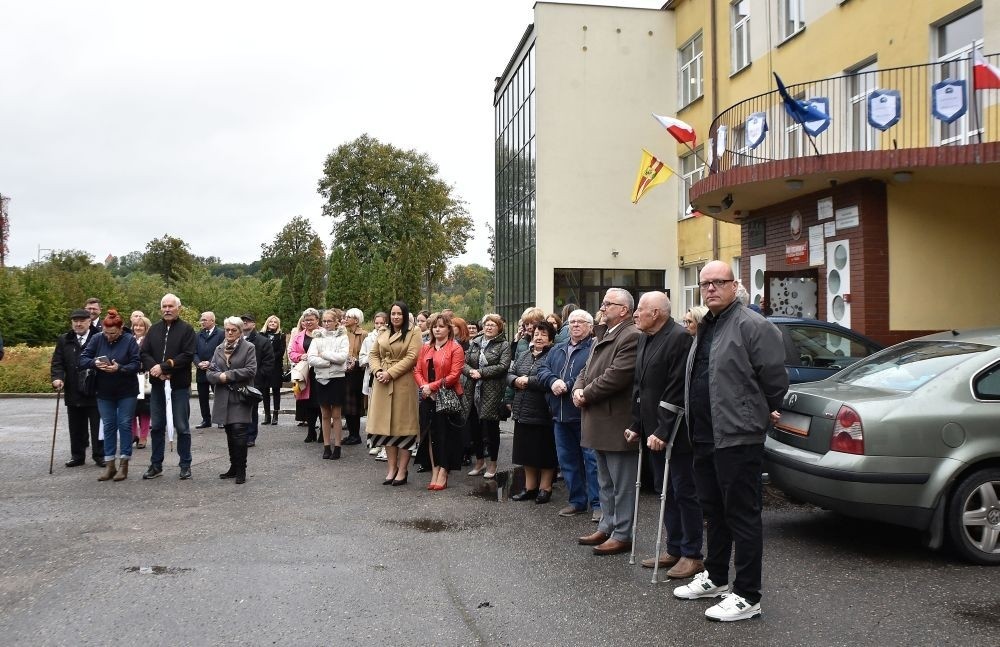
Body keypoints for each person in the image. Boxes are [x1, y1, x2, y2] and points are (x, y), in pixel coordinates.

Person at [672, 260, 788, 622]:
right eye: (705, 284)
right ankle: (718, 578)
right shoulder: (707, 324)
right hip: (705, 435)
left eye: (718, 282)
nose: (710, 289)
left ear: (734, 285)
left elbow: (774, 381)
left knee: (743, 516)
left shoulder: (753, 325)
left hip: (738, 436)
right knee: (713, 511)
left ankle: (748, 595)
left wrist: (758, 411)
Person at [624, 292, 702, 579]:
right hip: (651, 429)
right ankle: (675, 546)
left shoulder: (679, 338)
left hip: (676, 432)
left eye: (641, 309)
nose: (636, 314)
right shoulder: (644, 336)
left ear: (656, 313)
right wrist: (637, 423)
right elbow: (640, 383)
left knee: (684, 491)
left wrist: (663, 428)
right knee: (663, 490)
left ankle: (692, 554)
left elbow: (676, 388)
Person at [574, 288, 640, 556]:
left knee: (622, 483)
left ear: (623, 310)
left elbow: (617, 375)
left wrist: (586, 394)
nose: (601, 308)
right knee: (605, 481)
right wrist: (578, 388)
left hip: (616, 420)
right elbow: (585, 370)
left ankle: (623, 533)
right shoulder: (604, 333)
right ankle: (607, 525)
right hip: (599, 418)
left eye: (607, 304)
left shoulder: (631, 335)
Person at [538, 309, 600, 518]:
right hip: (559, 415)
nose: (574, 325)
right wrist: (553, 381)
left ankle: (598, 505)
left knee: (591, 462)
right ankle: (577, 501)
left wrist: (568, 385)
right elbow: (542, 369)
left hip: (584, 415)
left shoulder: (595, 348)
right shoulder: (557, 349)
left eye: (580, 322)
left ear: (590, 327)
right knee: (568, 462)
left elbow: (592, 374)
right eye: (572, 322)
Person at [140, 293, 197, 481]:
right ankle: (156, 464)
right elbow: (144, 353)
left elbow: (188, 355)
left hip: (178, 387)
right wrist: (154, 369)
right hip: (157, 386)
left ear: (178, 308)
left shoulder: (187, 329)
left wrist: (165, 366)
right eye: (164, 306)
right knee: (156, 427)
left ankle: (185, 465)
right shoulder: (154, 330)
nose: (167, 309)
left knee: (182, 427)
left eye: (171, 306)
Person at [80, 309, 141, 482]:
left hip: (126, 390)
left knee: (124, 424)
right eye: (106, 333)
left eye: (113, 334)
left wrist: (119, 368)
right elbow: (83, 359)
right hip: (104, 390)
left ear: (121, 329)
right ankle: (109, 465)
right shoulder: (97, 338)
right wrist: (95, 363)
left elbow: (136, 364)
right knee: (108, 426)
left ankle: (124, 464)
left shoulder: (129, 340)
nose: (109, 337)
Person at [367, 301, 422, 486]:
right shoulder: (383, 332)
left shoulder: (414, 332)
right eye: (393, 313)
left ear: (405, 315)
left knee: (403, 428)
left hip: (403, 382)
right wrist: (377, 372)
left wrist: (391, 373)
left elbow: (412, 357)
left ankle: (403, 469)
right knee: (386, 428)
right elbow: (373, 354)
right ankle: (391, 468)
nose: (396, 317)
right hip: (382, 382)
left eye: (399, 314)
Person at [508, 320, 558, 504]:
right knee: (526, 452)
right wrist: (514, 381)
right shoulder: (523, 354)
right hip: (522, 410)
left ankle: (545, 488)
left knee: (545, 452)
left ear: (551, 338)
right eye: (536, 333)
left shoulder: (554, 355)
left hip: (543, 410)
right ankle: (530, 487)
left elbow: (551, 379)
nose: (538, 337)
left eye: (543, 334)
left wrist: (528, 381)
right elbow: (510, 373)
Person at [414, 312, 466, 491]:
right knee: (430, 435)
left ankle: (444, 471)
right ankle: (434, 469)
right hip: (427, 397)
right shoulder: (426, 348)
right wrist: (424, 387)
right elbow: (417, 371)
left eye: (441, 326)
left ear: (448, 329)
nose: (437, 329)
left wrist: (432, 386)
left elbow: (453, 376)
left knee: (445, 435)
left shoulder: (455, 348)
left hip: (446, 397)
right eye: (435, 326)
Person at [206, 317, 258, 485]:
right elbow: (210, 371)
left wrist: (227, 375)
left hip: (240, 395)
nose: (229, 333)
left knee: (239, 431)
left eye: (233, 330)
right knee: (229, 431)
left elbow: (251, 370)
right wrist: (217, 377)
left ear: (240, 331)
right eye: (227, 329)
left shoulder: (249, 347)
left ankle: (242, 469)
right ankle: (233, 467)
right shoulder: (219, 348)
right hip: (223, 397)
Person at [50, 308, 103, 467]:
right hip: (73, 389)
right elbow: (57, 362)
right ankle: (77, 456)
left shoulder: (99, 337)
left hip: (94, 388)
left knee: (97, 425)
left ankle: (100, 455)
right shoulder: (64, 339)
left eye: (82, 321)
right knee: (76, 426)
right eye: (75, 321)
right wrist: (57, 378)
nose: (78, 324)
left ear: (89, 321)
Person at [461, 313, 512, 479]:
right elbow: (464, 362)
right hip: (473, 390)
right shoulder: (475, 342)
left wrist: (481, 373)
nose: (489, 327)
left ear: (499, 328)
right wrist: (471, 372)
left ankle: (493, 463)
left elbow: (503, 366)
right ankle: (479, 461)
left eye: (493, 325)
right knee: (474, 427)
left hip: (492, 391)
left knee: (490, 430)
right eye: (487, 324)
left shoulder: (504, 344)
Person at [307, 308, 349, 460]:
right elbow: (311, 358)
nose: (326, 324)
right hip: (321, 378)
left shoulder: (342, 337)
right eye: (324, 321)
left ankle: (337, 446)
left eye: (329, 321)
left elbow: (342, 357)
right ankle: (326, 446)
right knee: (325, 414)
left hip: (337, 379)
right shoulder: (317, 337)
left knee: (336, 414)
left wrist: (323, 354)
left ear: (336, 321)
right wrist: (327, 363)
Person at [287, 308, 321, 442]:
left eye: (311, 319)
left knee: (321, 403)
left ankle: (323, 433)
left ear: (317, 320)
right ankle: (311, 431)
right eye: (306, 320)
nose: (308, 322)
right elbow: (291, 353)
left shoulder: (323, 333)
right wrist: (301, 356)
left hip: (320, 371)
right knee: (308, 403)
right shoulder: (298, 336)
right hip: (305, 373)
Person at [241, 314, 275, 448]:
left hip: (254, 380)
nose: (244, 323)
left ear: (254, 324)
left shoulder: (262, 341)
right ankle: (239, 435)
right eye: (242, 321)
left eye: (247, 321)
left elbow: (268, 362)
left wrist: (258, 377)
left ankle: (250, 436)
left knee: (251, 409)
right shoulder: (234, 339)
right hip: (237, 379)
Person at [360, 311, 388, 455]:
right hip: (372, 376)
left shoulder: (391, 337)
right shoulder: (368, 339)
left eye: (382, 323)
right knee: (373, 413)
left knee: (385, 413)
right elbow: (362, 359)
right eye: (376, 323)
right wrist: (373, 360)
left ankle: (386, 444)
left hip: (387, 377)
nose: (378, 326)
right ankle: (376, 442)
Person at [341, 308, 367, 445]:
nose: (345, 319)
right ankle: (351, 433)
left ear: (356, 320)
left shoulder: (363, 334)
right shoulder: (343, 333)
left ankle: (356, 435)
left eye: (348, 317)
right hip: (343, 372)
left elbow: (366, 353)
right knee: (346, 405)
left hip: (357, 373)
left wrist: (356, 362)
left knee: (354, 404)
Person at [194, 311, 224, 429]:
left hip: (215, 370)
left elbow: (221, 350)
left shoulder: (221, 333)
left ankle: (220, 419)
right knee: (202, 396)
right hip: (201, 370)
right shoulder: (198, 335)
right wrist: (198, 363)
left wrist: (210, 363)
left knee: (218, 395)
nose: (202, 322)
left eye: (204, 320)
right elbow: (194, 351)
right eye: (202, 320)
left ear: (212, 321)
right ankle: (206, 419)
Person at [131, 316, 153, 449]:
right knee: (131, 409)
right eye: (135, 325)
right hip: (130, 378)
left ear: (146, 328)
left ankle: (143, 436)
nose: (138, 328)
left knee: (144, 409)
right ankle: (133, 434)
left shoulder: (149, 341)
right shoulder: (129, 339)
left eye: (141, 326)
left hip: (144, 378)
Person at [260, 315, 286, 425]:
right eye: (271, 321)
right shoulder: (261, 335)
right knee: (265, 391)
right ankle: (267, 415)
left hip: (275, 367)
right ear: (267, 322)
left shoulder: (281, 336)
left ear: (278, 324)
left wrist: (270, 357)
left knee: (276, 391)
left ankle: (276, 415)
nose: (273, 323)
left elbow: (281, 351)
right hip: (264, 366)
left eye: (275, 322)